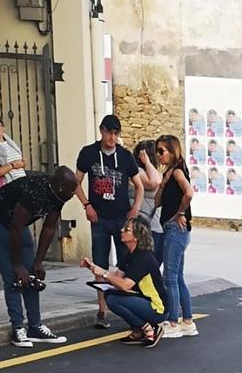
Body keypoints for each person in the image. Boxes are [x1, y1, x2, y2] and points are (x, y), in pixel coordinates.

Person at [0, 167, 78, 347]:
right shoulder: (35, 190)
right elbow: (15, 227)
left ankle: (35, 326)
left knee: (31, 272)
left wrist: (38, 262)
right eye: (72, 189)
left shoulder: (59, 195)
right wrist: (17, 265)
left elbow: (48, 228)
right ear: (61, 186)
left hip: (15, 223)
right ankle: (17, 328)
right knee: (13, 275)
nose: (74, 194)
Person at [75, 115, 144, 329]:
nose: (112, 138)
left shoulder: (124, 157)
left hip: (121, 217)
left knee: (126, 263)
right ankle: (102, 310)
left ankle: (128, 306)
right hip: (99, 217)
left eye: (116, 134)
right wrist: (86, 205)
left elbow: (139, 185)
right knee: (100, 262)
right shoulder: (89, 153)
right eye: (109, 133)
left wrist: (135, 209)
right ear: (101, 131)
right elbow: (75, 182)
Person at [81, 217, 167, 348]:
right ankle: (139, 330)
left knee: (114, 300)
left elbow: (125, 284)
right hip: (143, 299)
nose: (122, 230)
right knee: (110, 294)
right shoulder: (131, 254)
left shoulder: (143, 257)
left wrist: (103, 273)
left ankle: (149, 328)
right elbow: (116, 277)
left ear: (137, 236)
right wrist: (93, 268)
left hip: (157, 308)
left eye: (127, 229)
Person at [154, 134, 197, 338]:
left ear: (173, 151)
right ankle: (187, 320)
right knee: (177, 277)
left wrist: (180, 213)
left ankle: (173, 321)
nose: (159, 155)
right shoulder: (171, 173)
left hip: (175, 228)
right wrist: (163, 182)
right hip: (174, 228)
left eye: (162, 151)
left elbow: (189, 192)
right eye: (158, 151)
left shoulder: (178, 171)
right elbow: (157, 201)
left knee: (169, 276)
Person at [130, 140, 163, 265]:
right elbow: (154, 183)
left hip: (156, 225)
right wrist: (147, 162)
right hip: (145, 225)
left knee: (155, 262)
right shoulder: (137, 171)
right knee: (146, 264)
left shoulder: (152, 171)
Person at [0, 113, 26, 188]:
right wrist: (13, 165)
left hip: (22, 185)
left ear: (3, 127)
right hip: (8, 187)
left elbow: (20, 163)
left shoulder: (11, 144)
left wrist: (23, 163)